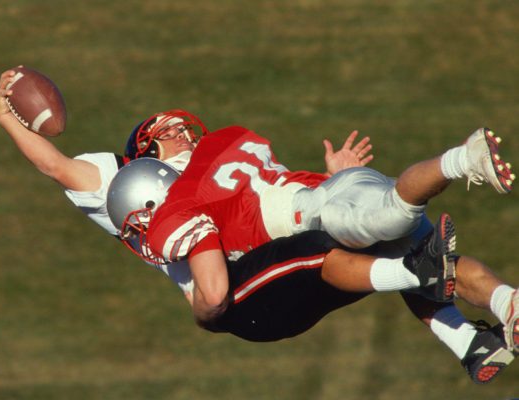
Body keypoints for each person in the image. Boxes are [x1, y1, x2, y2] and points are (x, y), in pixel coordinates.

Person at [0, 68, 515, 384]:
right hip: (241, 292)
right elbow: (56, 165)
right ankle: (420, 265)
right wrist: (6, 117)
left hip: (286, 232)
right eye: (169, 131)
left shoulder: (216, 154)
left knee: (399, 233)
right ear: (145, 155)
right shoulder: (138, 187)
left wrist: (336, 178)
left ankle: (486, 326)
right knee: (328, 249)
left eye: (180, 125)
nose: (181, 130)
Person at [111, 112, 519, 382]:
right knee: (429, 255)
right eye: (168, 133)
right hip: (330, 190)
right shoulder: (226, 139)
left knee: (401, 221)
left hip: (319, 214)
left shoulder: (178, 204)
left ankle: (462, 160)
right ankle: (488, 323)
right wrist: (335, 174)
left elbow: (214, 281)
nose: (180, 134)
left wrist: (200, 305)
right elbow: (266, 186)